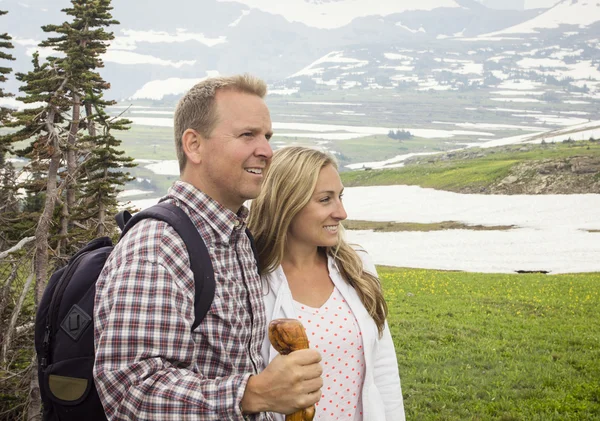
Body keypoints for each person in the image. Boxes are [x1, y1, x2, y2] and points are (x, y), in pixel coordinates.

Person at [93, 76, 323, 420]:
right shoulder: (157, 247)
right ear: (194, 145)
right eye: (247, 135)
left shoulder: (234, 236)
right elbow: (129, 390)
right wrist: (253, 393)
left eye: (267, 137)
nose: (266, 151)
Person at [248, 146, 405, 421]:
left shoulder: (357, 267)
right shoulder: (250, 279)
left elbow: (383, 371)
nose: (341, 212)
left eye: (340, 197)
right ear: (286, 204)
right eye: (325, 200)